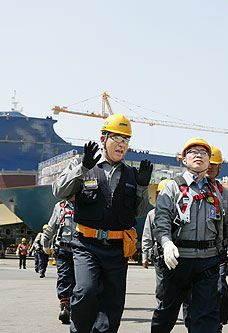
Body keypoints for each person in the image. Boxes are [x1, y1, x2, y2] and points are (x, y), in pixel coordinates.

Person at [52, 113, 152, 333]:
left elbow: (139, 211)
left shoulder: (132, 175)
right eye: (117, 138)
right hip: (86, 244)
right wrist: (83, 168)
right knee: (86, 291)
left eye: (126, 140)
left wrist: (143, 187)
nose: (122, 144)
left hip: (117, 249)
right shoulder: (84, 165)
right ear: (103, 138)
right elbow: (59, 191)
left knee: (112, 304)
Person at [151, 137, 228, 333]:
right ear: (184, 159)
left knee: (205, 317)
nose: (199, 155)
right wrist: (166, 243)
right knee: (166, 312)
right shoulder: (172, 187)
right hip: (177, 261)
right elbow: (162, 219)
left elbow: (227, 224)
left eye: (204, 152)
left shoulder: (218, 192)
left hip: (208, 262)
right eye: (193, 152)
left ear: (209, 161)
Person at [204, 146, 228, 332]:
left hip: (219, 251)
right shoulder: (194, 187)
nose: (211, 168)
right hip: (198, 250)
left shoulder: (223, 193)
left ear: (220, 167)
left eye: (215, 165)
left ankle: (219, 322)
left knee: (220, 287)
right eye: (209, 164)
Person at [42, 196, 77, 325]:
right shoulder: (60, 207)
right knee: (64, 277)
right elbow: (51, 227)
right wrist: (45, 244)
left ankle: (77, 307)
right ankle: (65, 307)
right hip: (62, 249)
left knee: (79, 280)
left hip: (81, 250)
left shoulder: (86, 203)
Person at [142, 179, 169, 305]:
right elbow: (147, 236)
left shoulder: (179, 213)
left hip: (178, 255)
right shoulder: (152, 214)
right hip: (160, 256)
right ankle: (162, 309)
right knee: (161, 286)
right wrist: (145, 256)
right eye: (160, 194)